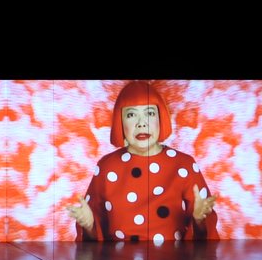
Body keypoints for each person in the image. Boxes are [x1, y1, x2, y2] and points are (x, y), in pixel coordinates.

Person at [66, 80, 218, 243]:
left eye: (150, 113)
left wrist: (199, 220)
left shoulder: (184, 164)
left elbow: (204, 239)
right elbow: (93, 237)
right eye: (131, 115)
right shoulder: (106, 166)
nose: (141, 123)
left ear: (161, 118)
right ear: (120, 122)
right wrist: (89, 226)